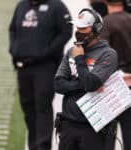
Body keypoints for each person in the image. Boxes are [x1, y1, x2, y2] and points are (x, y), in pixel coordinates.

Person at [8, 0, 72, 149]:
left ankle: (43, 146)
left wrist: (47, 52)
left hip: (45, 66)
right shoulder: (21, 5)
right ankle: (33, 145)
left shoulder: (57, 6)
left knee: (42, 105)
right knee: (27, 105)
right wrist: (14, 50)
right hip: (23, 66)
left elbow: (66, 31)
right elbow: (12, 30)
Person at [54, 8, 118, 150]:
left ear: (95, 29)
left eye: (83, 28)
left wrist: (79, 59)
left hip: (94, 128)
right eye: (77, 27)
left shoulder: (108, 54)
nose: (78, 31)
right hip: (68, 125)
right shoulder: (71, 51)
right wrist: (83, 84)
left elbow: (91, 83)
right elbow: (58, 85)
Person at [101, 0, 131, 150]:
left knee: (107, 140)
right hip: (130, 85)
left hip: (111, 88)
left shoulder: (105, 23)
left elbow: (102, 59)